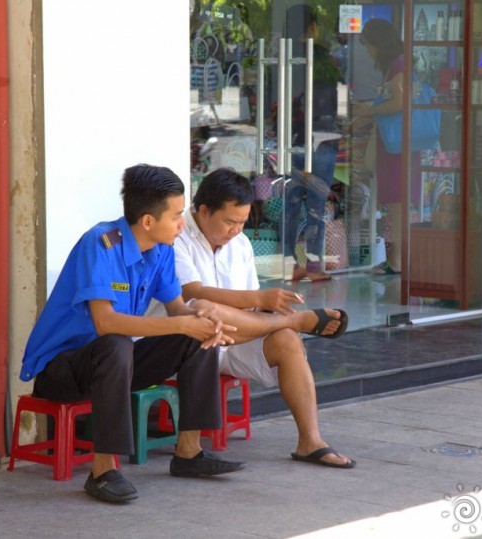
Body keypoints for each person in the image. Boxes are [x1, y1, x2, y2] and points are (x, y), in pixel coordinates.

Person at [20, 164, 245, 505]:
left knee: (196, 335)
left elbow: (177, 311)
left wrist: (201, 316)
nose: (183, 225)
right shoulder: (101, 243)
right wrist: (183, 323)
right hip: (62, 371)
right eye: (176, 216)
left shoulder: (161, 251)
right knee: (115, 343)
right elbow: (106, 323)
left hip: (113, 366)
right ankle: (102, 471)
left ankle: (188, 452)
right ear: (148, 221)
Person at [167, 168, 355, 468]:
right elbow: (191, 292)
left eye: (242, 222)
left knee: (286, 340)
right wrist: (258, 300)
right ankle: (295, 320)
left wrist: (262, 308)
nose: (236, 230)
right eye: (230, 222)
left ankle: (311, 441)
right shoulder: (176, 236)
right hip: (188, 343)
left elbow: (249, 305)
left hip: (235, 334)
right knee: (206, 306)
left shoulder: (240, 244)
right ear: (203, 211)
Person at [284, 4, 342, 282]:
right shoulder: (324, 60)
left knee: (290, 205)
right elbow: (336, 100)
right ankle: (316, 266)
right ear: (313, 27)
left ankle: (287, 263)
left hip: (291, 137)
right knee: (317, 206)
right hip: (321, 137)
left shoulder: (281, 57)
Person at [359, 17, 418, 274]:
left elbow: (400, 103)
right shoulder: (397, 65)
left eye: (368, 44)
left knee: (396, 205)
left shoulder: (398, 66)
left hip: (396, 145)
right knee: (396, 205)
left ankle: (397, 261)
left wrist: (371, 110)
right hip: (395, 143)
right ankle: (397, 259)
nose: (368, 50)